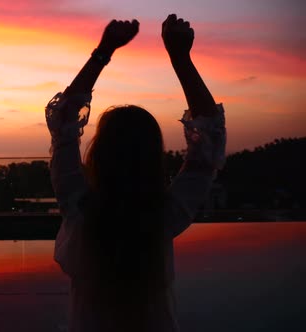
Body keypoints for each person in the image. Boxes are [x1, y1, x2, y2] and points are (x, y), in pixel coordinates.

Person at [45, 14, 226, 331]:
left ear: (99, 153)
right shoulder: (165, 216)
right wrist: (180, 58)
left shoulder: (78, 209)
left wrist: (104, 51)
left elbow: (64, 119)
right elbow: (208, 136)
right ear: (154, 159)